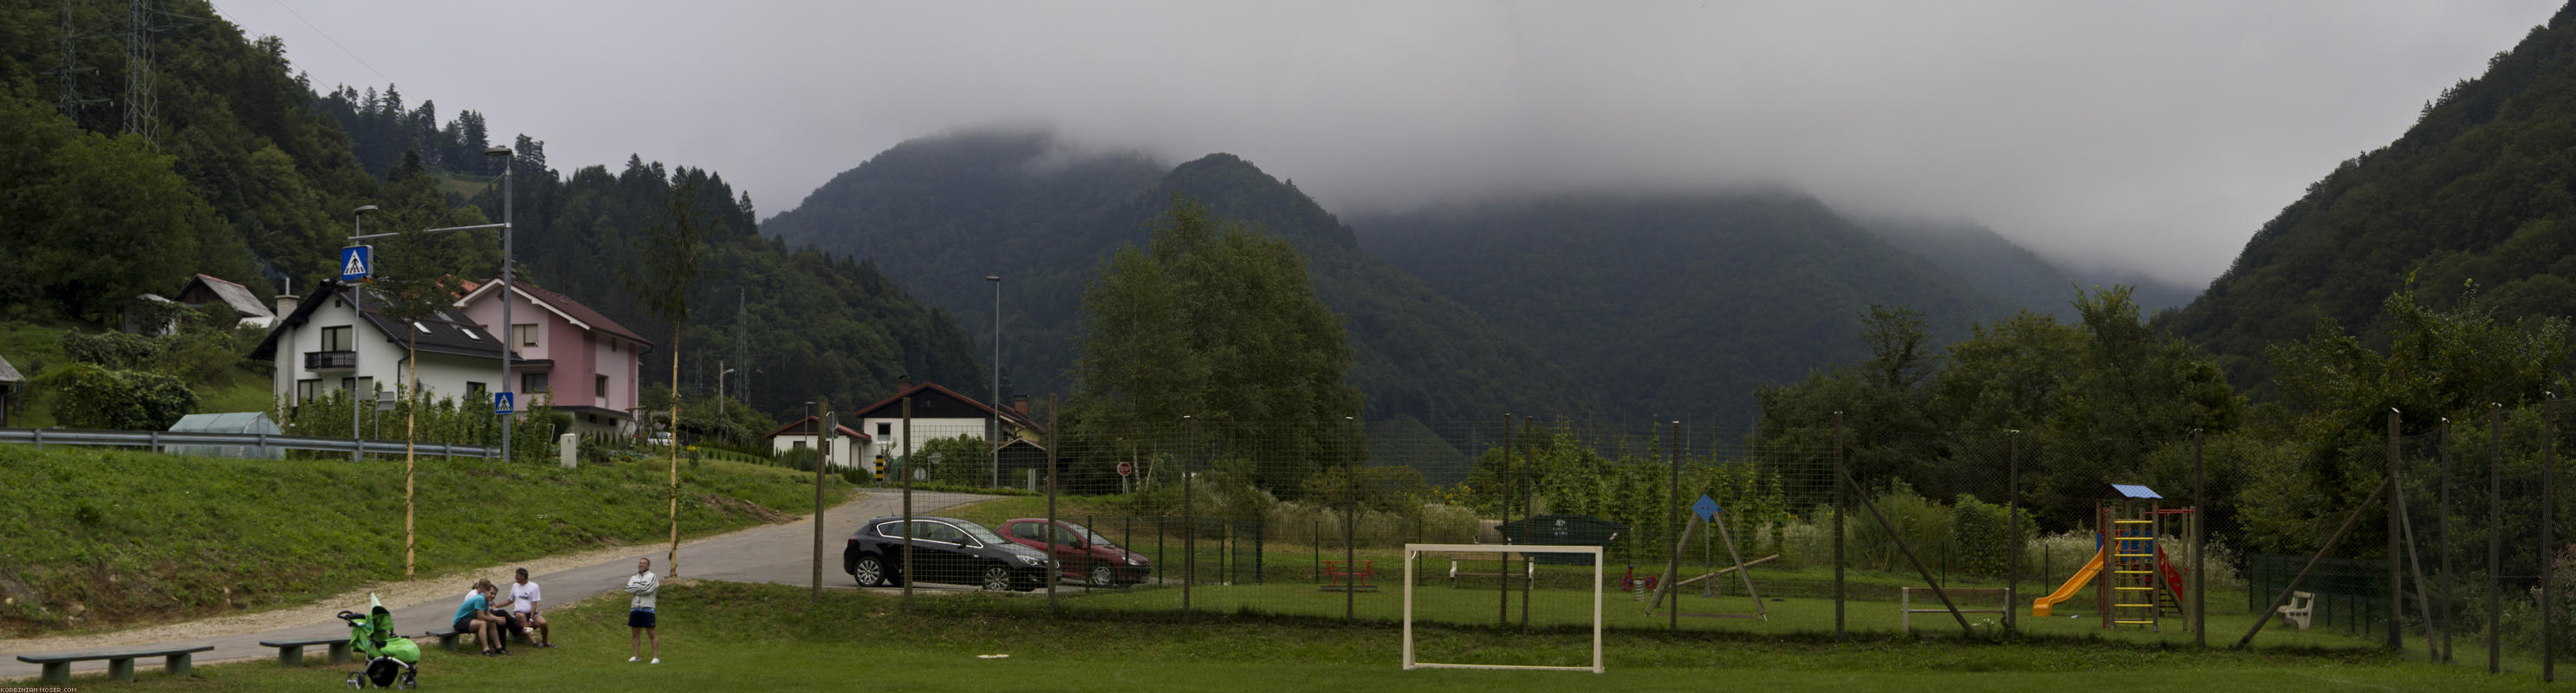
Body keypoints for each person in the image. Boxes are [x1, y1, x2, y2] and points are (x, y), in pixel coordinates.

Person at [452, 579, 510, 657]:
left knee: (492, 623)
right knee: (482, 623)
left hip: (469, 621)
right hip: (459, 622)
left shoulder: (486, 600)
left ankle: (499, 648)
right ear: (485, 591)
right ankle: (486, 649)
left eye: (495, 595)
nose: (493, 596)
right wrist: (496, 619)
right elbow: (481, 617)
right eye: (491, 593)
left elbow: (488, 614)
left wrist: (498, 619)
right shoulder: (480, 599)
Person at [625, 557, 659, 664]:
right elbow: (628, 589)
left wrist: (637, 589)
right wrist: (640, 587)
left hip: (647, 608)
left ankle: (655, 657)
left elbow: (648, 589)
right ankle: (636, 656)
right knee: (635, 632)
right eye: (640, 563)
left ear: (648, 565)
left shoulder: (652, 577)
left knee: (651, 633)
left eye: (644, 563)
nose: (641, 565)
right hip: (635, 608)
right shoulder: (634, 577)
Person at [509, 567, 554, 648]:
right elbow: (510, 600)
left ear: (522, 577)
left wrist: (531, 618)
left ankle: (545, 641)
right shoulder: (515, 586)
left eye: (517, 576)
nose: (515, 577)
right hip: (519, 613)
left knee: (543, 623)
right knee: (521, 616)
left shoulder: (534, 587)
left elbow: (534, 604)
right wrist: (497, 605)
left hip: (531, 613)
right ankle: (533, 642)